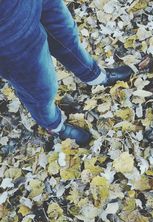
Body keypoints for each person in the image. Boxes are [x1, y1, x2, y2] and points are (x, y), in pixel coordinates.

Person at [0, 0, 133, 146]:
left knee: (66, 34)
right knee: (40, 87)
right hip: (5, 25)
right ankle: (54, 124)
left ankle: (94, 76)